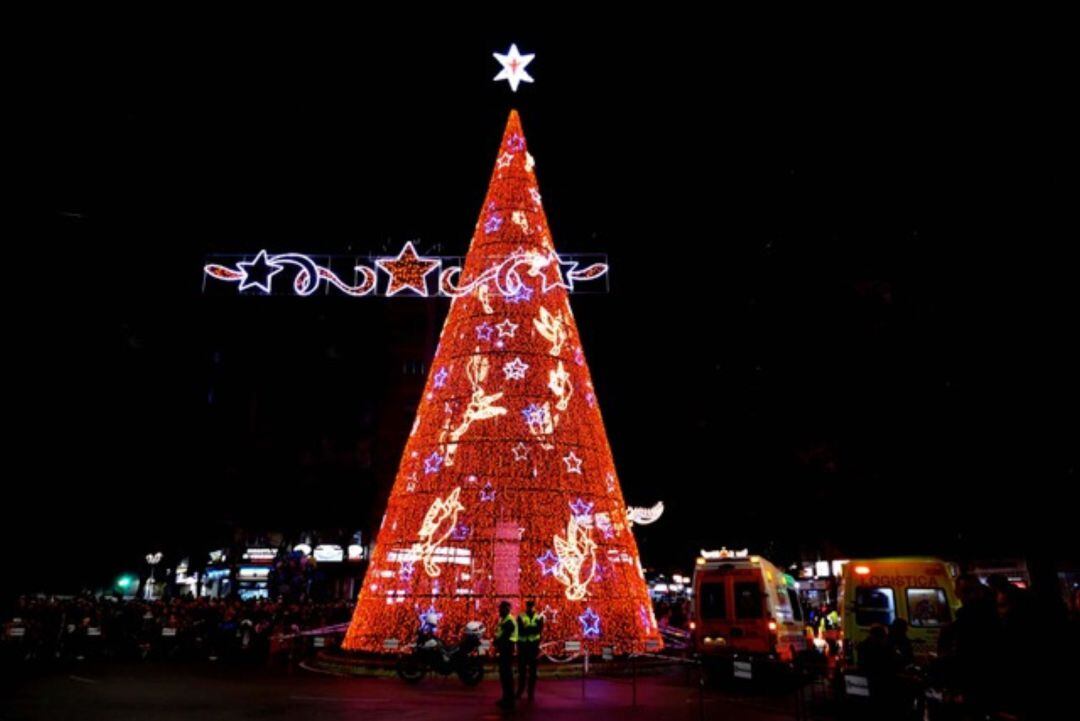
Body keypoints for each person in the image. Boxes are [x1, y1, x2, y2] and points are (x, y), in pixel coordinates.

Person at [516, 599, 543, 701]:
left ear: (534, 607)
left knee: (533, 672)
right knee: (522, 671)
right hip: (523, 647)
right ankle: (520, 691)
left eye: (532, 606)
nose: (530, 608)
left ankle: (530, 693)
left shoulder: (539, 617)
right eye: (529, 606)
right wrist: (532, 629)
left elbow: (538, 630)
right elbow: (521, 631)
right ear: (526, 607)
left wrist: (527, 628)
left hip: (533, 647)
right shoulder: (521, 616)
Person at [493, 600, 518, 710]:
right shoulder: (504, 620)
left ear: (505, 610)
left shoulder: (509, 621)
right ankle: (506, 698)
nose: (499, 610)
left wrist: (497, 642)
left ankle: (509, 700)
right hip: (504, 651)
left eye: (501, 609)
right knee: (504, 676)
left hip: (507, 651)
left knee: (507, 676)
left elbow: (504, 636)